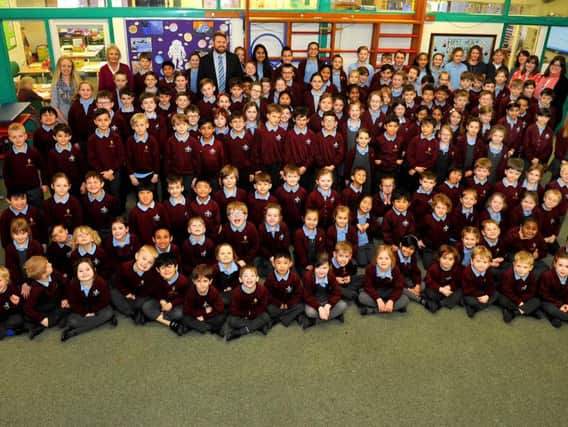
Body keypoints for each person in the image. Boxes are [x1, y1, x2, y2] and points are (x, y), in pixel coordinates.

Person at [61, 257, 116, 342]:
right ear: (76, 273)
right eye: (80, 271)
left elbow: (105, 300)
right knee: (72, 320)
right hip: (83, 309)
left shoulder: (101, 282)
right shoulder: (73, 284)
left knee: (108, 312)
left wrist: (93, 311)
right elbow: (73, 303)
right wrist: (85, 312)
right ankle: (103, 320)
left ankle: (75, 331)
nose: (84, 273)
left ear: (94, 270)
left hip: (98, 308)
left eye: (87, 269)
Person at [359, 244, 409, 315]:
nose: (383, 261)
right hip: (376, 291)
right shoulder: (370, 268)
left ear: (391, 260)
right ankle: (390, 308)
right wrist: (378, 299)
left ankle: (374, 310)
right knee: (361, 297)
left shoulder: (395, 269)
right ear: (376, 259)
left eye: (387, 258)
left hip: (389, 292)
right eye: (380, 258)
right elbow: (368, 286)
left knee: (405, 299)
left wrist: (391, 300)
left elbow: (398, 288)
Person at [225, 265, 271, 340]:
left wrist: (253, 313)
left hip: (256, 313)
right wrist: (246, 314)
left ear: (257, 278)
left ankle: (241, 332)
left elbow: (263, 305)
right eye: (245, 276)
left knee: (266, 316)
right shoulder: (236, 292)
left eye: (252, 276)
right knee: (232, 320)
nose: (249, 278)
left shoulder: (262, 290)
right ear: (240, 279)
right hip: (242, 315)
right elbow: (233, 309)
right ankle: (258, 326)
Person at [302, 252, 347, 328]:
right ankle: (333, 315)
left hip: (327, 299)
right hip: (314, 300)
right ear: (313, 267)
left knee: (343, 305)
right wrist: (319, 308)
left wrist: (328, 305)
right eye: (318, 267)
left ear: (329, 267)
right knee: (309, 312)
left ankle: (316, 320)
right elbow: (307, 296)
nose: (321, 271)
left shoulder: (330, 275)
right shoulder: (307, 277)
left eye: (324, 268)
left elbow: (337, 292)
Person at [181, 264, 226, 335]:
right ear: (194, 281)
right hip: (196, 313)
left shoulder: (214, 291)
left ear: (210, 281)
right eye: (198, 281)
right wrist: (203, 312)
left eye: (205, 281)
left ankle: (197, 327)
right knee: (185, 318)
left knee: (221, 316)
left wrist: (205, 317)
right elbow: (187, 310)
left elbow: (220, 308)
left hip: (209, 314)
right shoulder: (191, 293)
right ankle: (210, 328)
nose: (202, 284)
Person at [264, 251, 304, 327]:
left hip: (290, 303)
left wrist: (289, 304)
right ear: (273, 264)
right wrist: (279, 304)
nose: (282, 266)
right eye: (278, 263)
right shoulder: (270, 278)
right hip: (277, 304)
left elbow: (298, 294)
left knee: (302, 306)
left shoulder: (294, 277)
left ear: (290, 264)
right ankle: (292, 316)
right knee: (269, 309)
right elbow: (267, 294)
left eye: (285, 263)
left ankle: (279, 319)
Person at [50, 56, 80, 123]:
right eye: (64, 66)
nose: (66, 68)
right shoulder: (56, 85)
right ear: (59, 68)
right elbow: (54, 107)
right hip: (62, 119)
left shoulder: (77, 83)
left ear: (72, 68)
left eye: (69, 66)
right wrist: (66, 122)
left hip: (77, 118)